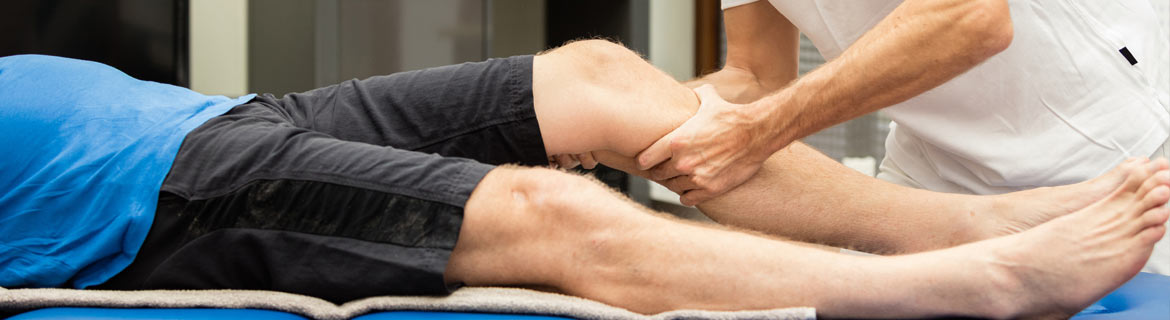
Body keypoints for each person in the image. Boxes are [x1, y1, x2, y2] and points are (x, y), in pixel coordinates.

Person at [0, 39, 1165, 319]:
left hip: (214, 118)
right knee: (543, 209)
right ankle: (983, 279)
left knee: (599, 75)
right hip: (147, 200)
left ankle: (953, 221)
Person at [636, 0, 1170, 273]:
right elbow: (757, 75)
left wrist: (758, 132)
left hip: (1117, 145)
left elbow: (972, 16)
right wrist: (644, 114)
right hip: (934, 170)